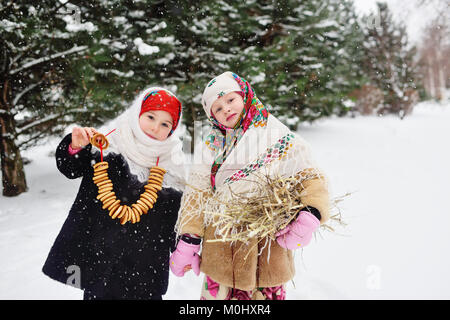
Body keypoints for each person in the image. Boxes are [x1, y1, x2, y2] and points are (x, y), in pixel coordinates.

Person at [170, 72, 330, 300]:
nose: (225, 108)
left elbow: (309, 175)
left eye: (230, 100)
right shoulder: (212, 146)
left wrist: (311, 212)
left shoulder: (276, 135)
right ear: (212, 116)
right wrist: (189, 239)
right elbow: (198, 194)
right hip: (221, 256)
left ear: (244, 96)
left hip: (267, 258)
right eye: (217, 108)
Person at [42, 87, 186, 300]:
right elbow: (70, 168)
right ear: (137, 113)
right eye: (150, 116)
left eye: (165, 124)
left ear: (172, 130)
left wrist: (183, 246)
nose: (155, 127)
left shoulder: (172, 165)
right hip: (101, 264)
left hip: (146, 269)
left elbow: (174, 218)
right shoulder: (107, 146)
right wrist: (75, 147)